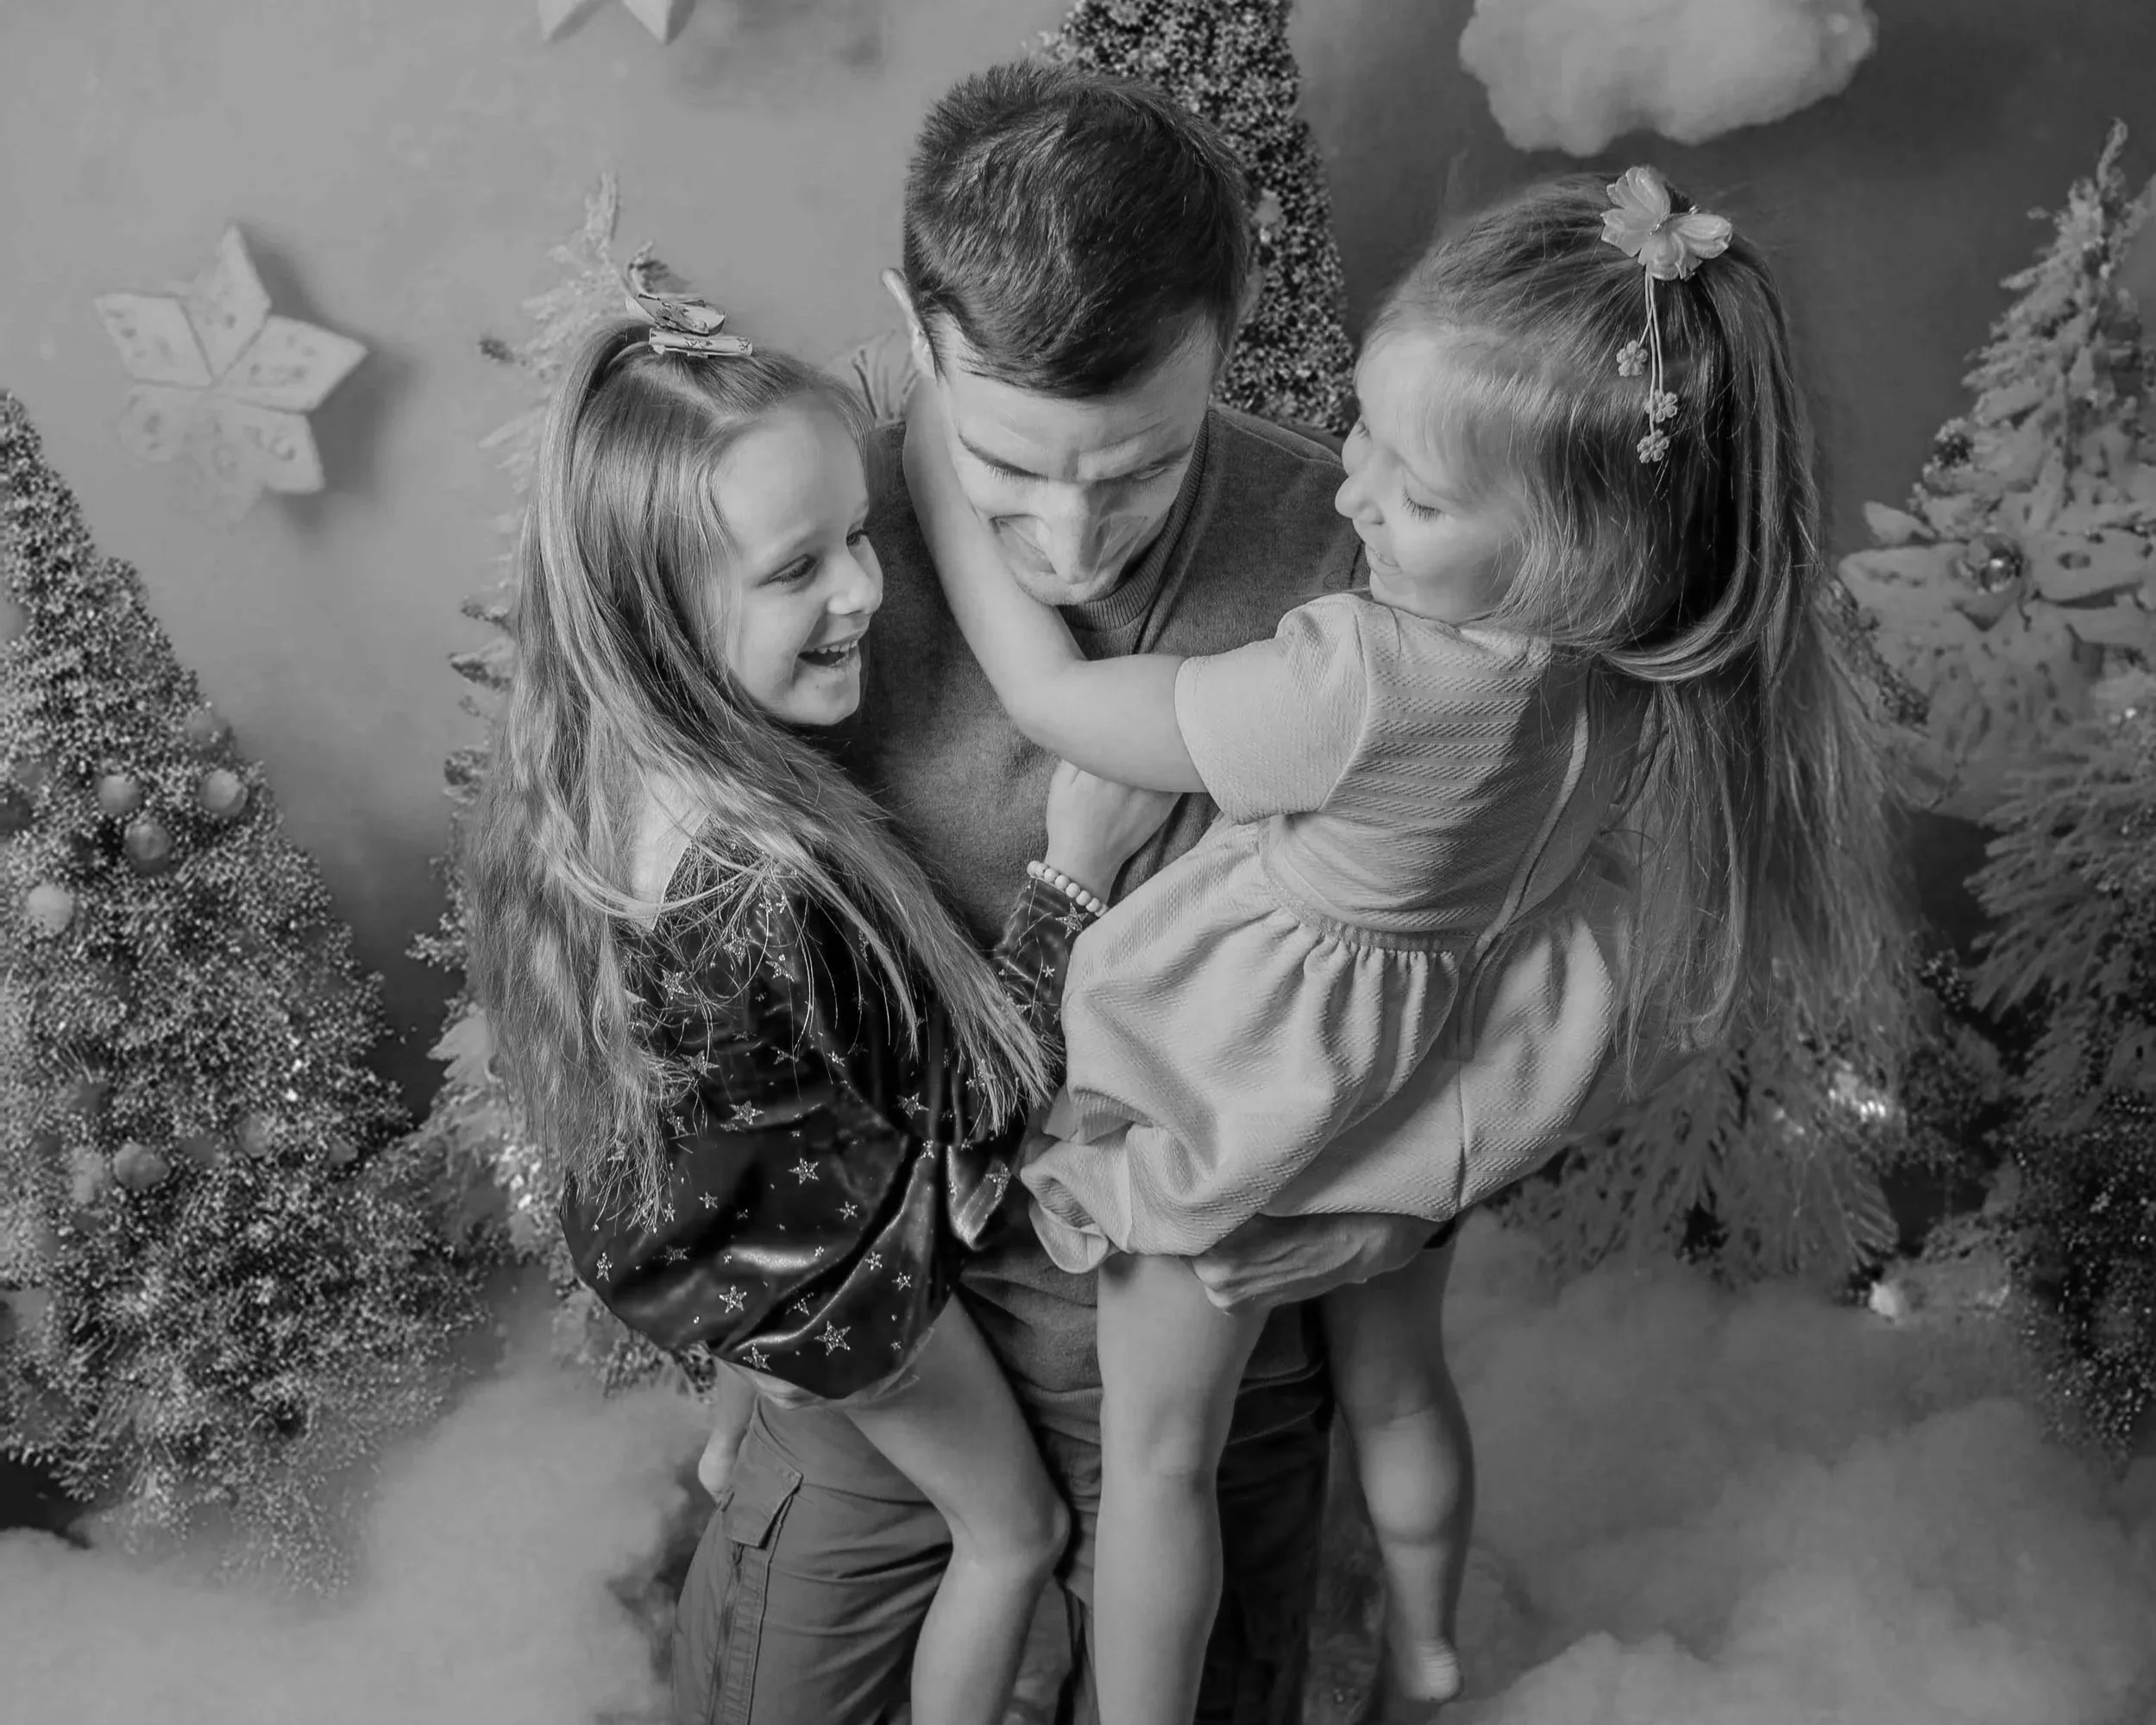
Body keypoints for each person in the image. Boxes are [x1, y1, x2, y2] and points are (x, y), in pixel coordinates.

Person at [662, 61, 1631, 1725]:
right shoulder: (793, 522)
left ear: (1231, 335)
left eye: (1137, 467)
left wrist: (1386, 1199)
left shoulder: (1366, 563)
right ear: (914, 319)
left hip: (1207, 1324)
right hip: (898, 1354)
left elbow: (1464, 923)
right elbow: (692, 983)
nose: (1068, 536)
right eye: (1005, 466)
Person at [908, 161, 1905, 1722]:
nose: (1346, 489)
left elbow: (1052, 704)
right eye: (1362, 432)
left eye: (1415, 493)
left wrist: (932, 443)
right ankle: (1430, 1642)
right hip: (1444, 1083)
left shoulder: (1364, 683)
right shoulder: (1615, 667)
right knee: (1399, 1384)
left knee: (1159, 1457)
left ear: (1584, 534)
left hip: (1247, 1089)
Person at [465, 299, 1178, 1725]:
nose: (865, 590)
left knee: (782, 1339)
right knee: (1014, 1532)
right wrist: (1073, 876)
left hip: (704, 1228)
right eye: (798, 568)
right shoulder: (756, 880)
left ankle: (738, 1438)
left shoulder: (600, 760)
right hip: (818, 1277)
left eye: (859, 535)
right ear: (660, 610)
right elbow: (967, 1099)